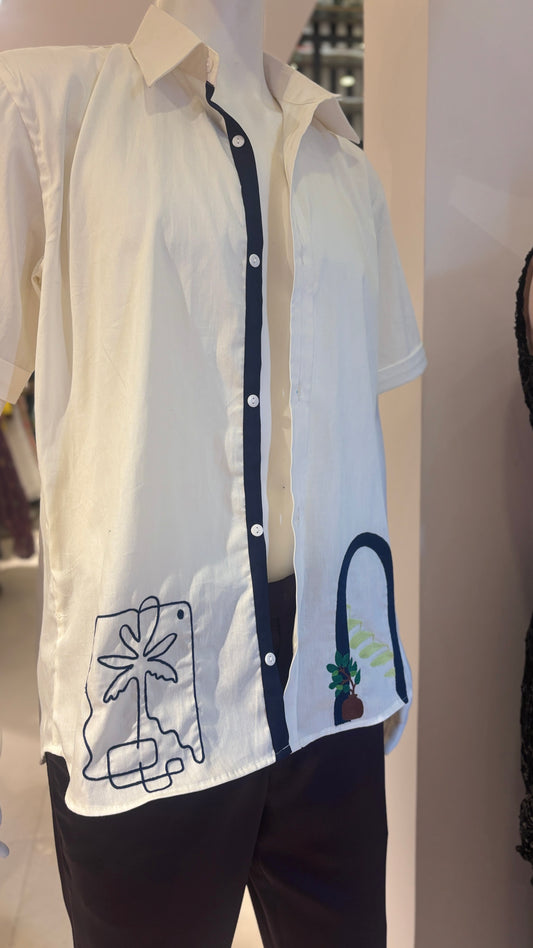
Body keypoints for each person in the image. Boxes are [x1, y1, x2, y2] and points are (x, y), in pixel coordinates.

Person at [0, 0, 426, 944]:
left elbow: (352, 417)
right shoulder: (47, 109)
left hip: (332, 673)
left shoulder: (340, 161)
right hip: (149, 683)